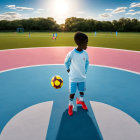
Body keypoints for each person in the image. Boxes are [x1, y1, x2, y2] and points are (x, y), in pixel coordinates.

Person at [64, 32, 89, 116]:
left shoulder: (85, 54)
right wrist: (68, 70)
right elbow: (66, 62)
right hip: (73, 78)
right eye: (86, 42)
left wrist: (84, 71)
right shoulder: (72, 53)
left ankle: (81, 101)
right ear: (79, 43)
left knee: (82, 91)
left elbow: (87, 63)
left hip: (82, 78)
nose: (87, 45)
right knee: (72, 92)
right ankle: (70, 104)